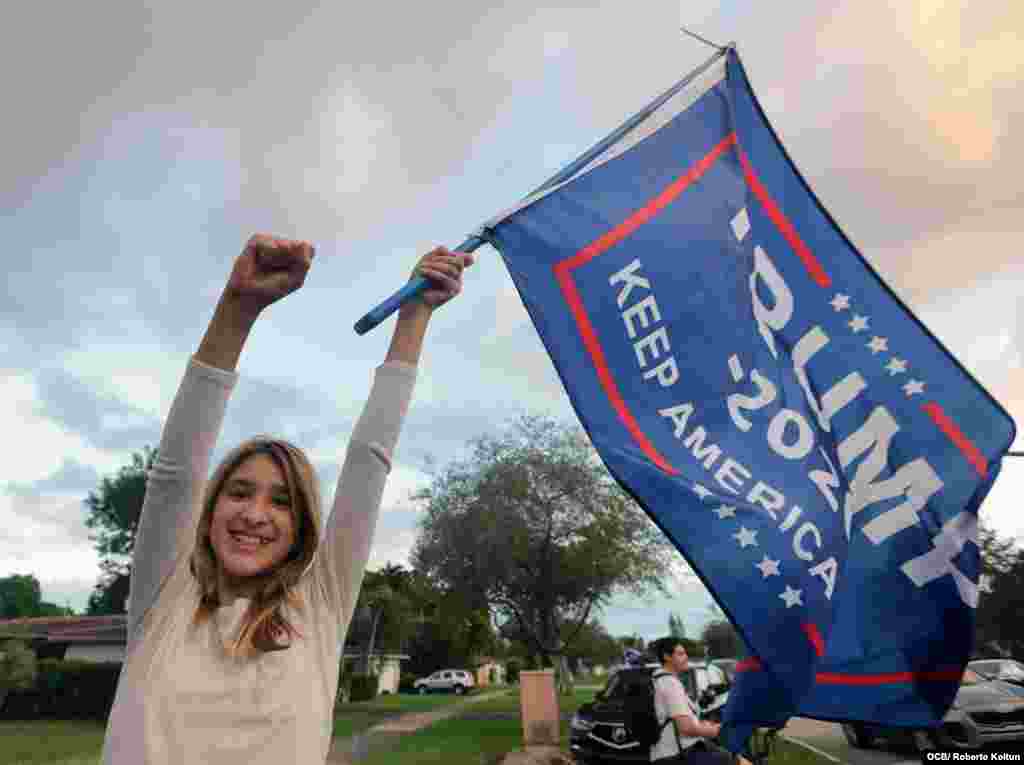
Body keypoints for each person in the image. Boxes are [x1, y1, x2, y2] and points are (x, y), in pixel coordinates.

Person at [100, 234, 473, 764]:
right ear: (207, 513)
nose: (254, 514)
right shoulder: (165, 598)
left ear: (302, 528)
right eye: (239, 492)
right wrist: (238, 308)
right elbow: (175, 473)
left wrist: (413, 318)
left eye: (281, 502)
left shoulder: (320, 607)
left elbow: (371, 459)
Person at [649, 637, 751, 765]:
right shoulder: (670, 683)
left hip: (670, 753)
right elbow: (686, 728)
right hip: (679, 753)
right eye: (680, 654)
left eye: (685, 653)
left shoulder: (659, 680)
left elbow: (680, 721)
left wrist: (706, 725)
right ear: (667, 657)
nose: (686, 657)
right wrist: (713, 731)